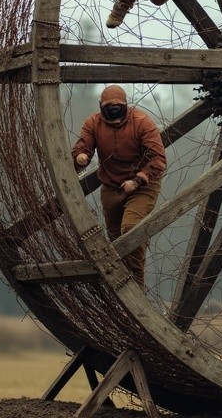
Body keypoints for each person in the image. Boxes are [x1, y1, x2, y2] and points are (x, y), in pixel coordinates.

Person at [71, 85, 167, 284]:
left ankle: (137, 286)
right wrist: (80, 157)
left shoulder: (141, 122)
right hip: (111, 187)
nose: (113, 108)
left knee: (131, 230)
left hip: (143, 187)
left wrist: (138, 180)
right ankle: (121, 286)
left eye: (118, 105)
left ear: (126, 105)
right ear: (100, 106)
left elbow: (158, 160)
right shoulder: (93, 123)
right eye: (108, 106)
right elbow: (83, 147)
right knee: (115, 241)